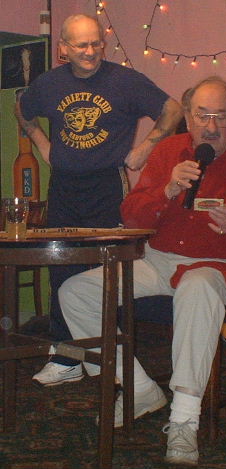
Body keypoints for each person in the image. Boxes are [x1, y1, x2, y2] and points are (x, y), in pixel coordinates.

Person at [59, 76, 226, 465]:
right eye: (202, 115)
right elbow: (131, 216)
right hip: (160, 261)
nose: (212, 126)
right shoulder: (166, 153)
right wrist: (166, 190)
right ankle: (138, 388)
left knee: (196, 287)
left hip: (222, 264)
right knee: (75, 292)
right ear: (188, 115)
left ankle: (184, 421)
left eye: (222, 116)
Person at [15, 14, 183, 386]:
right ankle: (67, 357)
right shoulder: (49, 84)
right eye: (81, 45)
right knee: (61, 269)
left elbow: (173, 109)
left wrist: (144, 149)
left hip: (109, 185)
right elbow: (23, 109)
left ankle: (108, 355)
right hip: (63, 187)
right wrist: (44, 146)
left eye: (96, 44)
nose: (90, 52)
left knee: (106, 273)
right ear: (63, 48)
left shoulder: (125, 81)